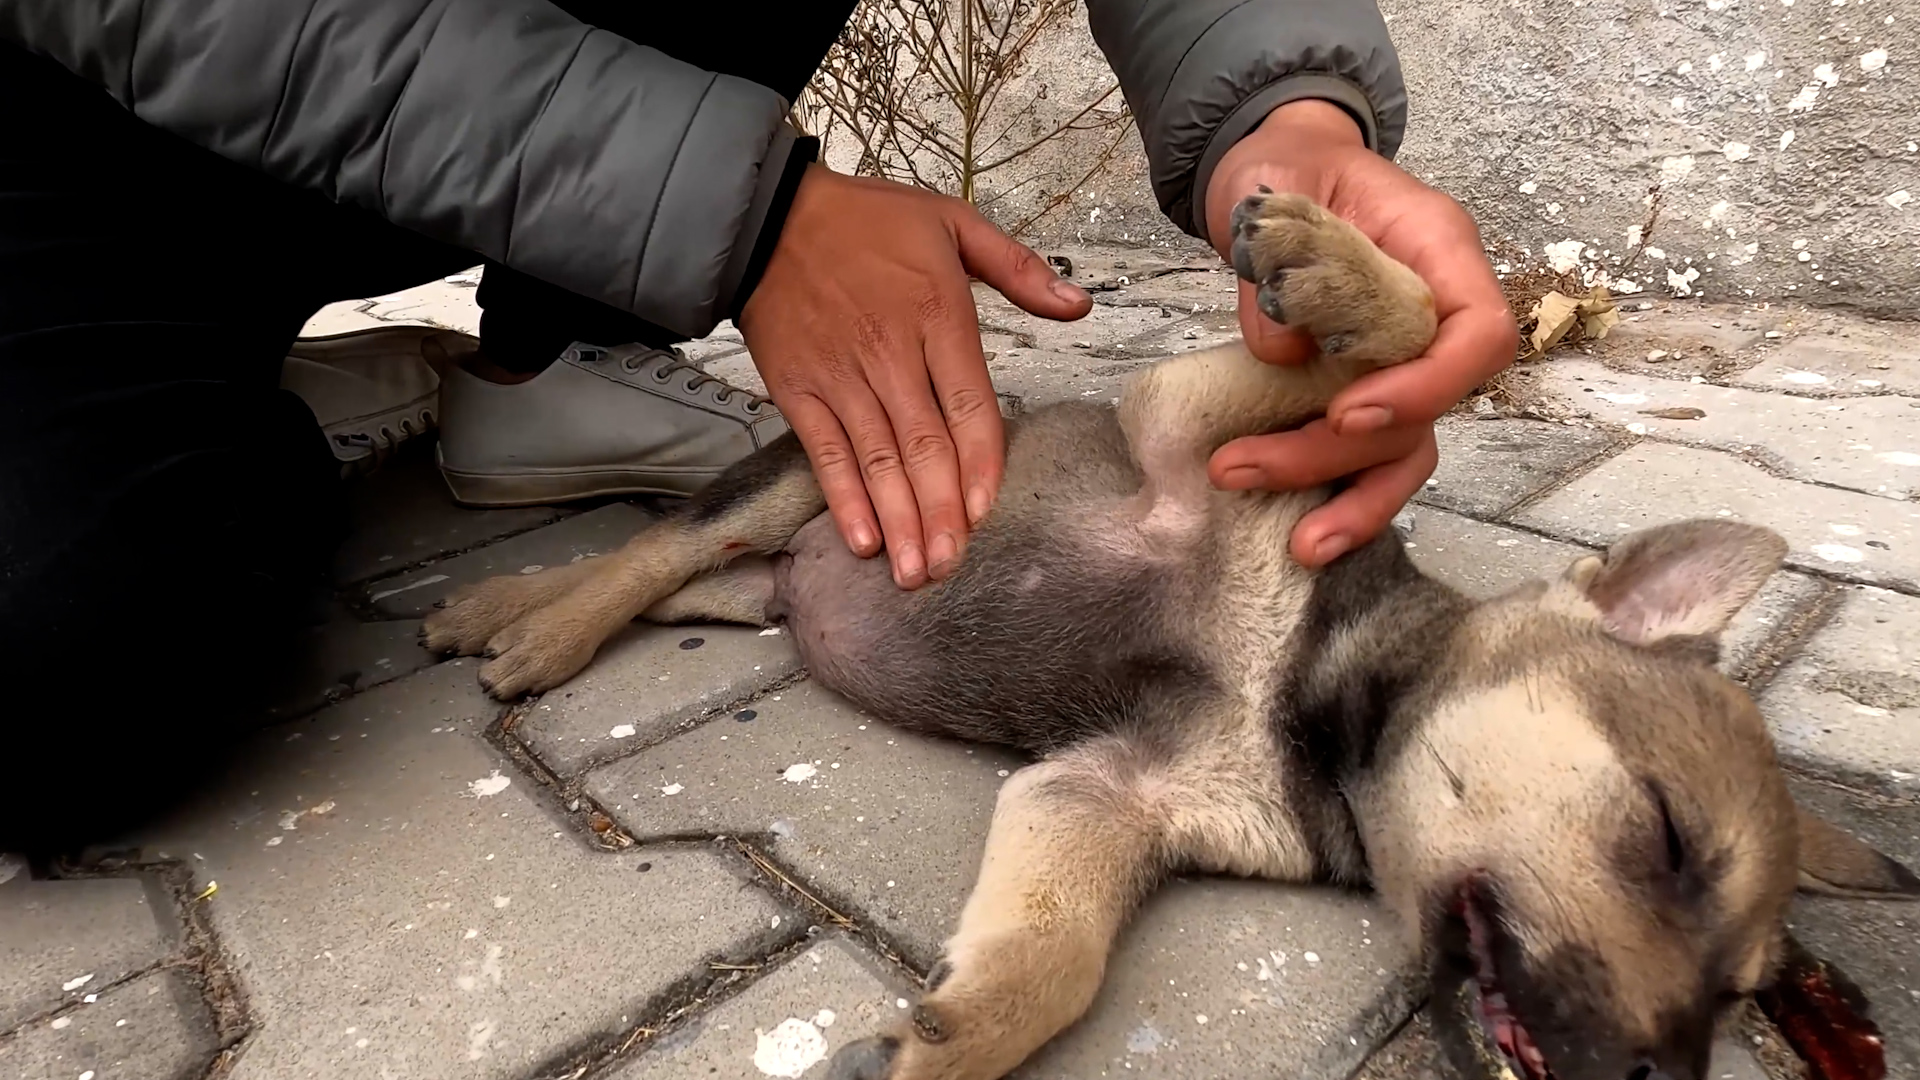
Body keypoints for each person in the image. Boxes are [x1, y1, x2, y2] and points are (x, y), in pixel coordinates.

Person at [0, 0, 1515, 850]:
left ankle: (539, 360)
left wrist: (1283, 115)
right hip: (99, 131)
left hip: (501, 132)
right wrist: (752, 215)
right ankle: (252, 397)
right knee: (51, 691)